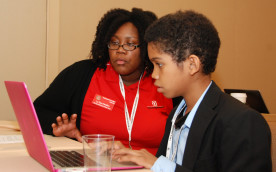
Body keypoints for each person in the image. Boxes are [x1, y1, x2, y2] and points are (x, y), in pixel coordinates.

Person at [112, 10, 272, 171]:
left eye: (159, 64)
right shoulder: (176, 114)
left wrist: (158, 164)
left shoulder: (242, 122)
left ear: (192, 64)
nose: (154, 74)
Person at [33, 8, 177, 155]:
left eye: (130, 44)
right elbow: (38, 112)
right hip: (96, 164)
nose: (120, 50)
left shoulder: (165, 81)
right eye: (114, 42)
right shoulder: (82, 73)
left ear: (147, 47)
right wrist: (59, 128)